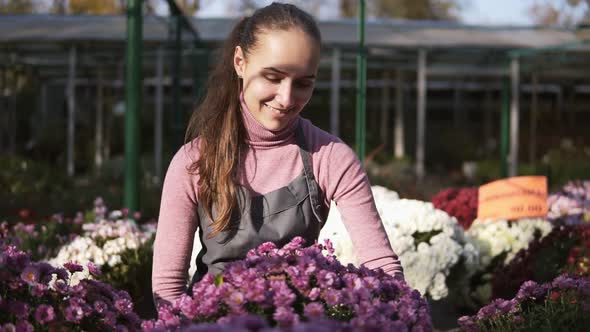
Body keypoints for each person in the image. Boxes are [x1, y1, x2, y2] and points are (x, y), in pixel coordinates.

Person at [152, 2, 403, 305]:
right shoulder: (193, 162)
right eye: (272, 77)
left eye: (303, 84)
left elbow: (381, 267)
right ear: (240, 62)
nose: (286, 98)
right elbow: (167, 288)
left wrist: (400, 310)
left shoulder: (330, 157)